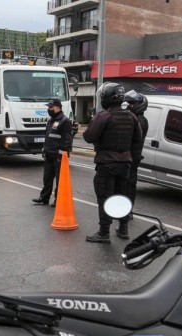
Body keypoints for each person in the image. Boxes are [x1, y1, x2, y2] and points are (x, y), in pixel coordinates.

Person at [82, 83, 142, 243]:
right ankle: (123, 229)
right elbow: (137, 141)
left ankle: (104, 232)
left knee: (105, 198)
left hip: (107, 165)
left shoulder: (104, 116)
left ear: (107, 98)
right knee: (122, 197)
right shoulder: (132, 117)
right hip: (125, 165)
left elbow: (88, 136)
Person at [32, 98, 74, 207]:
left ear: (57, 107)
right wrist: (44, 149)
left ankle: (58, 200)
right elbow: (48, 137)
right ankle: (44, 198)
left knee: (60, 180)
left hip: (59, 156)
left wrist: (62, 153)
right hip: (49, 154)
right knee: (47, 178)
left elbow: (67, 139)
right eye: (48, 107)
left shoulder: (65, 121)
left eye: (50, 107)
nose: (49, 109)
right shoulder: (51, 120)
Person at [122, 90, 148, 219]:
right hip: (131, 157)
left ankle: (127, 212)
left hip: (132, 158)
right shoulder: (137, 119)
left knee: (128, 185)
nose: (128, 106)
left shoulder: (140, 121)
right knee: (126, 185)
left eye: (131, 104)